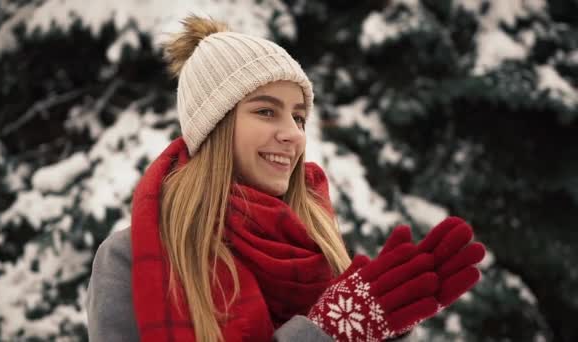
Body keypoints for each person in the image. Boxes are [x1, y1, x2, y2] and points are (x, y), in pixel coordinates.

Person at [86, 14, 486, 342]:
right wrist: (325, 334)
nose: (293, 133)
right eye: (266, 111)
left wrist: (379, 331)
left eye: (298, 116)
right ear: (214, 127)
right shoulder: (132, 259)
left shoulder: (316, 249)